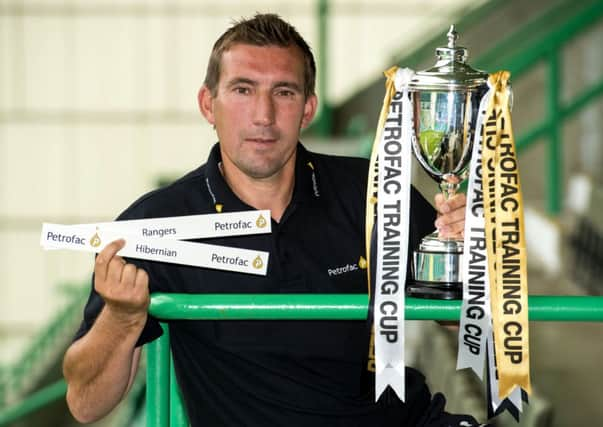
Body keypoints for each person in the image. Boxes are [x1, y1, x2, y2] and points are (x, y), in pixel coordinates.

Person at [63, 13, 478, 427]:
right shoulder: (157, 222)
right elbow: (86, 404)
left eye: (284, 92)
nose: (263, 115)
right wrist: (120, 317)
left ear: (308, 108)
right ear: (209, 104)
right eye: (243, 90)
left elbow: (465, 322)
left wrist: (470, 256)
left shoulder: (373, 192)